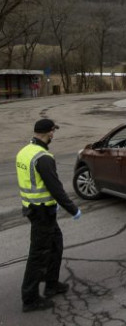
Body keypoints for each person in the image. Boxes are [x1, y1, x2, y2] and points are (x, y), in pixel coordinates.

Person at [16, 119, 82, 313]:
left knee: (55, 245)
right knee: (38, 255)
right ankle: (30, 299)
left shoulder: (24, 151)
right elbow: (56, 189)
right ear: (48, 133)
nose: (54, 134)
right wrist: (72, 209)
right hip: (42, 212)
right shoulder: (43, 157)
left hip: (36, 209)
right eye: (53, 131)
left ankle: (51, 284)